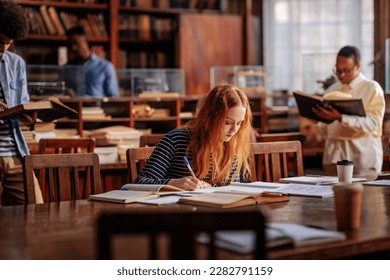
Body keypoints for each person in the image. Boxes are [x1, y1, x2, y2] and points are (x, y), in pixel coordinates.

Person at [134, 84, 253, 190]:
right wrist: (173, 183)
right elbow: (140, 182)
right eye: (227, 122)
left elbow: (239, 187)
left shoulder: (235, 142)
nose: (234, 130)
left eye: (239, 123)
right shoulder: (176, 140)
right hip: (182, 211)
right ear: (210, 118)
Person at [312, 45, 385, 175]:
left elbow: (373, 124)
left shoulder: (372, 88)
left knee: (365, 196)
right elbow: (323, 129)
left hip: (361, 159)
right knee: (331, 195)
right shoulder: (332, 89)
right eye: (338, 70)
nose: (341, 75)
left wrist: (341, 117)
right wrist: (320, 116)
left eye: (346, 70)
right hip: (332, 158)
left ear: (357, 66)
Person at [0, 0, 43, 205]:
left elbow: (22, 103)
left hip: (17, 154)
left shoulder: (16, 63)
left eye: (9, 42)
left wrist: (29, 116)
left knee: (38, 212)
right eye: (0, 40)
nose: (4, 47)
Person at [66, 26, 120, 98]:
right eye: (70, 44)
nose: (73, 47)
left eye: (76, 43)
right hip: (72, 108)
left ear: (86, 41)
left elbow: (114, 98)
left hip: (97, 108)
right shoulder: (67, 68)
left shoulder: (106, 67)